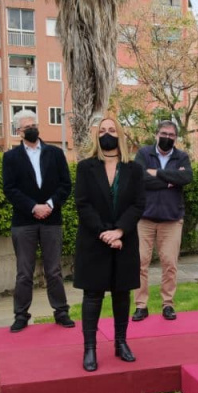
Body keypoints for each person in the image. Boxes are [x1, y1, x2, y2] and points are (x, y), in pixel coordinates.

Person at [73, 116, 146, 371]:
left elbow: (138, 204)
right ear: (97, 136)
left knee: (121, 293)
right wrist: (105, 233)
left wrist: (120, 231)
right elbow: (82, 204)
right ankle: (90, 348)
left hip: (124, 241)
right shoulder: (85, 167)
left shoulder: (134, 169)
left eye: (112, 130)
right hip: (94, 241)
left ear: (120, 134)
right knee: (92, 295)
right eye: (103, 130)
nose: (107, 134)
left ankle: (120, 342)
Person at [2, 109, 74, 332]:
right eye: (26, 126)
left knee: (54, 270)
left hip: (52, 220)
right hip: (24, 222)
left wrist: (49, 205)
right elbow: (10, 189)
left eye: (34, 124)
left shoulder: (55, 153)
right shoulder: (10, 157)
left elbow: (65, 185)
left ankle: (61, 312)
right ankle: (21, 315)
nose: (32, 129)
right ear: (18, 131)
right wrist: (33, 207)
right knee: (24, 271)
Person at [132, 120, 193, 322]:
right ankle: (141, 305)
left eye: (171, 135)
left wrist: (157, 173)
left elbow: (186, 178)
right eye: (164, 133)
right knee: (140, 263)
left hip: (172, 218)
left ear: (176, 138)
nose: (167, 137)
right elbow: (138, 178)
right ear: (156, 134)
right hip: (145, 218)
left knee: (169, 263)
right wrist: (170, 180)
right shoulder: (143, 154)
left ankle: (168, 304)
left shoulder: (181, 156)